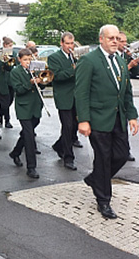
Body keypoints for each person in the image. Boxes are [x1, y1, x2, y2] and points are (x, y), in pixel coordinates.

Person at [75, 24, 138, 219]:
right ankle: (103, 201)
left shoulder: (120, 61)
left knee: (120, 155)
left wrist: (132, 116)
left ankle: (95, 179)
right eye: (110, 38)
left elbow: (126, 92)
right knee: (102, 159)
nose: (114, 41)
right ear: (101, 39)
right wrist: (83, 120)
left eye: (116, 38)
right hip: (98, 120)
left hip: (117, 119)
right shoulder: (89, 60)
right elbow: (81, 92)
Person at [48, 32, 79, 170]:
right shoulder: (54, 57)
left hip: (76, 97)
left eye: (72, 43)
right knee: (67, 126)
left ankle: (59, 145)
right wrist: (73, 69)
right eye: (67, 43)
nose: (70, 46)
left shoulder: (75, 57)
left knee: (75, 126)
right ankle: (68, 157)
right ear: (61, 43)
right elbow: (57, 76)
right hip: (63, 97)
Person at [9, 48, 42, 179]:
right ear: (19, 60)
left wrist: (40, 80)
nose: (28, 62)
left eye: (29, 59)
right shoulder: (15, 72)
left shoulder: (34, 70)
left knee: (27, 132)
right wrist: (30, 83)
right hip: (23, 108)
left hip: (35, 106)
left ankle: (15, 152)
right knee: (29, 136)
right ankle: (31, 167)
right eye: (25, 60)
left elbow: (43, 86)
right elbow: (19, 89)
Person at [117, 31, 137, 161]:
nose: (125, 44)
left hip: (125, 93)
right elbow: (117, 74)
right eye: (122, 41)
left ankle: (126, 150)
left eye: (125, 41)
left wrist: (135, 64)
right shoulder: (114, 57)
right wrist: (129, 65)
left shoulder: (126, 55)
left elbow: (134, 73)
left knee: (123, 126)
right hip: (114, 97)